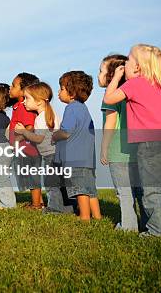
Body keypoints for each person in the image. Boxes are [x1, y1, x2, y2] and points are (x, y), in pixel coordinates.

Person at [104, 44, 161, 238]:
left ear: (137, 67)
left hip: (148, 146)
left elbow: (109, 99)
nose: (125, 64)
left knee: (153, 191)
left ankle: (157, 232)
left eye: (128, 60)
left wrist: (115, 78)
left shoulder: (135, 84)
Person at [98, 54, 145, 231]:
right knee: (139, 190)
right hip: (136, 148)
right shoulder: (131, 92)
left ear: (111, 75)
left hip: (118, 149)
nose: (98, 75)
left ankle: (129, 226)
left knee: (124, 192)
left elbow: (110, 123)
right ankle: (148, 223)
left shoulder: (110, 96)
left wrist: (104, 148)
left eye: (101, 70)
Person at [15, 82, 73, 214]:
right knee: (59, 183)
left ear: (40, 101)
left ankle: (55, 208)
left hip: (50, 156)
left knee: (51, 184)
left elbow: (38, 138)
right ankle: (68, 207)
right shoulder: (51, 114)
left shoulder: (41, 118)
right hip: (58, 153)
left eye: (27, 98)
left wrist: (24, 132)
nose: (24, 102)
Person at [53, 71, 101, 221]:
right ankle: (98, 216)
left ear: (72, 93)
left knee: (80, 190)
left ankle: (84, 217)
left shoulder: (71, 108)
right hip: (87, 159)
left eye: (61, 89)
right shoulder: (84, 109)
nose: (59, 92)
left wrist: (55, 135)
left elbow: (66, 132)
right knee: (90, 190)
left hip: (75, 158)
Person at [9, 72, 43, 209]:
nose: (10, 88)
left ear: (24, 91)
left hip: (28, 148)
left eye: (13, 85)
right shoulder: (18, 106)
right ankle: (38, 202)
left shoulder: (24, 106)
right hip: (23, 148)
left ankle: (36, 205)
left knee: (32, 176)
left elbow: (30, 126)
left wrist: (17, 139)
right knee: (28, 176)